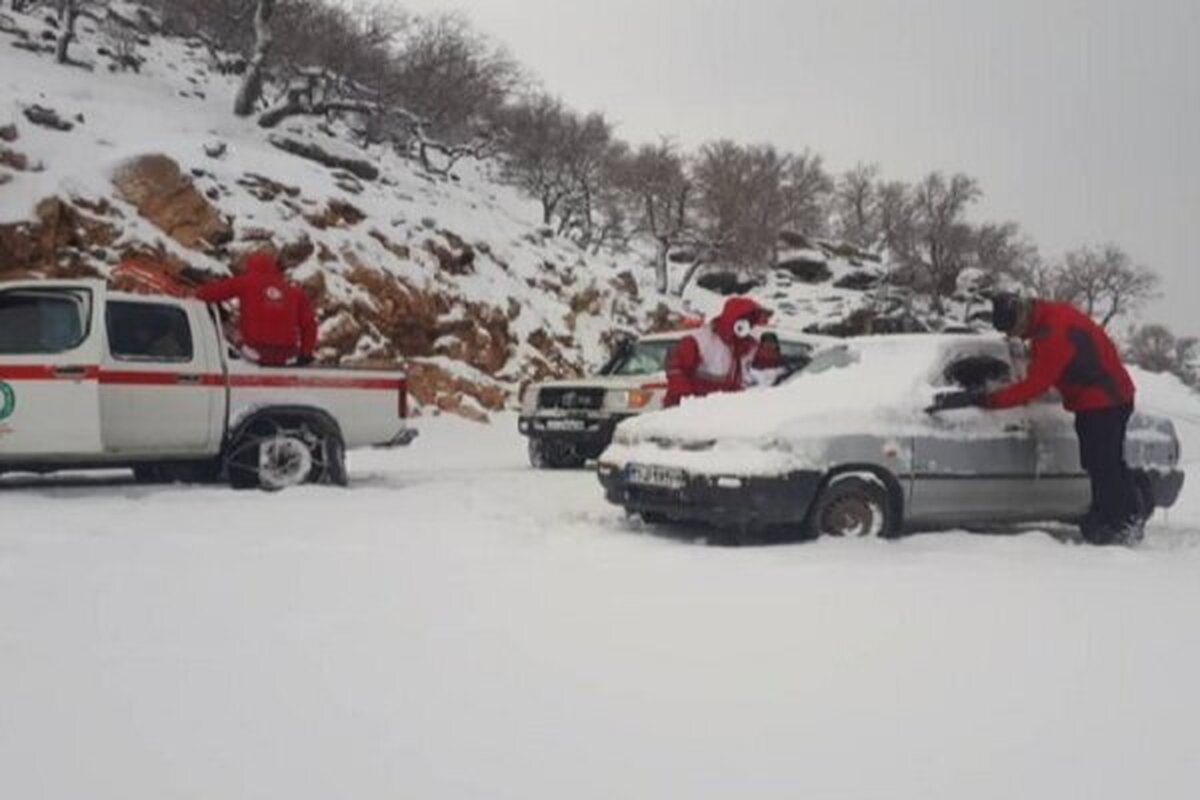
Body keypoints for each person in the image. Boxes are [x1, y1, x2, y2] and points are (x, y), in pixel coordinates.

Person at [929, 292, 1143, 545]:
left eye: (1014, 330)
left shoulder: (1054, 334)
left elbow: (1033, 387)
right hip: (1105, 397)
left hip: (1104, 400)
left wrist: (988, 400)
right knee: (1105, 463)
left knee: (1102, 464)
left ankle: (1118, 525)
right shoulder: (1048, 316)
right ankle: (1120, 517)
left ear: (1020, 317)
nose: (1016, 337)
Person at [196, 250, 317, 367]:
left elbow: (207, 294)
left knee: (227, 327)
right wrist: (305, 353)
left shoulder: (245, 282)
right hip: (287, 355)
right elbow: (310, 325)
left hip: (254, 351)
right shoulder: (293, 291)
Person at [663, 296, 779, 407]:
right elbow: (676, 368)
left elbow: (767, 368)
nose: (746, 324)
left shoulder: (749, 346)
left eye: (750, 321)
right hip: (688, 410)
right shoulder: (699, 340)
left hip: (725, 412)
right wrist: (687, 400)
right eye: (743, 319)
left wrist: (770, 352)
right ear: (732, 319)